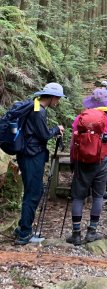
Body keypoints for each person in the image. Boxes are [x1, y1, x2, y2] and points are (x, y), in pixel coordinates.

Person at [15, 83, 65, 245]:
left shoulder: (35, 105)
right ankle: (25, 234)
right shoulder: (38, 110)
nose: (58, 101)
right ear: (50, 97)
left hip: (27, 154)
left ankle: (23, 227)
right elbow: (43, 135)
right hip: (32, 155)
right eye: (57, 98)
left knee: (33, 191)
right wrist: (56, 129)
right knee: (34, 193)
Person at [66, 89, 107, 245]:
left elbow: (73, 143)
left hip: (82, 162)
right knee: (98, 196)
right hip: (101, 162)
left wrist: (73, 160)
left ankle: (76, 234)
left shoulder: (79, 119)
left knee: (78, 196)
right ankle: (92, 232)